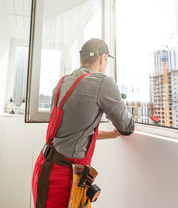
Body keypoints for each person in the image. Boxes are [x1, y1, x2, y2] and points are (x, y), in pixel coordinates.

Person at [32, 38, 135, 208]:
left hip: (44, 167)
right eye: (107, 61)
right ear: (103, 58)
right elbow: (127, 127)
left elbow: (71, 133)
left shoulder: (62, 82)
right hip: (61, 178)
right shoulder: (103, 82)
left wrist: (109, 134)